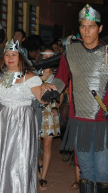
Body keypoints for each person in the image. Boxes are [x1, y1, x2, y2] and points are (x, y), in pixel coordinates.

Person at [43, 4, 108, 192]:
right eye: (83, 26)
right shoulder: (71, 51)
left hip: (105, 122)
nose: (86, 31)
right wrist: (54, 89)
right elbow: (62, 78)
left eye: (91, 26)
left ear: (100, 28)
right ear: (79, 28)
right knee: (85, 172)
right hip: (79, 122)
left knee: (102, 172)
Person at [0, 40, 46, 193]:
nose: (10, 58)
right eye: (7, 54)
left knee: (17, 161)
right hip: (1, 122)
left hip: (21, 122)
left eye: (14, 54)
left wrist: (47, 85)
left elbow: (42, 98)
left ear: (21, 57)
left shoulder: (30, 78)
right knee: (0, 159)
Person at [38, 49, 61, 191]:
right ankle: (38, 164)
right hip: (35, 113)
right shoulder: (35, 74)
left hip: (49, 114)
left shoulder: (57, 77)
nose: (46, 59)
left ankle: (43, 177)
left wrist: (56, 107)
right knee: (34, 148)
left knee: (46, 146)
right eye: (44, 57)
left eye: (49, 58)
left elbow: (61, 95)